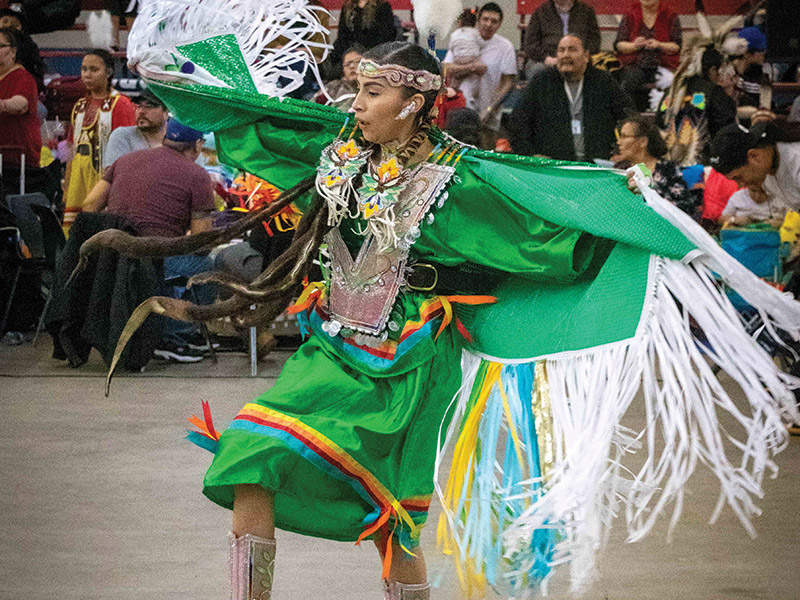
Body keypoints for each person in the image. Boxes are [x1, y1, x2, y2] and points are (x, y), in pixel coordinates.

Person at [96, 15, 800, 597]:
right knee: (249, 456)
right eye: (353, 89)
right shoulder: (339, 156)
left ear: (412, 102)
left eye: (371, 92)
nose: (356, 103)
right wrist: (197, 70)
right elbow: (259, 129)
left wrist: (628, 215)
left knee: (393, 519)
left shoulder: (454, 184)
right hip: (331, 343)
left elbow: (542, 238)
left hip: (410, 356)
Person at [82, 118, 216, 362]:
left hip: (111, 255)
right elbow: (201, 242)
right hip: (153, 259)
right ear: (197, 145)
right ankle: (174, 336)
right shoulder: (197, 175)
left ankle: (166, 332)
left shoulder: (125, 160)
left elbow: (90, 205)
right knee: (208, 267)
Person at [509, 34, 635, 162]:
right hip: (553, 167)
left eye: (572, 49)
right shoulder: (541, 81)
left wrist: (623, 152)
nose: (565, 55)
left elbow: (630, 116)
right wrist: (530, 155)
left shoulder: (603, 81)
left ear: (586, 56)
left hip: (596, 165)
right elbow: (518, 121)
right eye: (561, 50)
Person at [62, 49, 135, 234]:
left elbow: (128, 152)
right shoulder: (79, 106)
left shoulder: (120, 105)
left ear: (109, 72)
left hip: (105, 180)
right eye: (84, 69)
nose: (87, 74)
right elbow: (72, 149)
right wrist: (67, 184)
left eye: (94, 69)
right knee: (74, 234)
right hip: (78, 181)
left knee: (100, 233)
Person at [443, 2, 517, 149]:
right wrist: (471, 67)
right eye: (485, 19)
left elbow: (508, 82)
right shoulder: (464, 38)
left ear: (500, 24)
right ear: (478, 20)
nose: (488, 24)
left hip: (489, 113)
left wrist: (489, 110)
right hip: (461, 115)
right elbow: (446, 69)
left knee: (487, 155)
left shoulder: (505, 46)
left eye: (494, 21)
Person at [659, 47, 737, 166]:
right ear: (712, 70)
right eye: (720, 72)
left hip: (666, 165)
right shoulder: (714, 92)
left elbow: (658, 124)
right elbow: (726, 134)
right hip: (702, 166)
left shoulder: (670, 92)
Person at [710, 121, 800, 215]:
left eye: (738, 177)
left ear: (753, 156)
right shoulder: (766, 176)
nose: (740, 185)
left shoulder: (796, 162)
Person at [616, 115, 694, 214]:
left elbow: (684, 208)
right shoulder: (620, 170)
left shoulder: (667, 171)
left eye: (624, 136)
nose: (619, 142)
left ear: (643, 141)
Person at [615, 0, 681, 111]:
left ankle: (667, 119)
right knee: (627, 82)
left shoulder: (670, 14)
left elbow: (677, 46)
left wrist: (659, 45)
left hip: (663, 65)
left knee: (671, 82)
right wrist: (634, 45)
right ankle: (628, 118)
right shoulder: (630, 14)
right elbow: (619, 45)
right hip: (634, 65)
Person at [0, 27, 41, 190]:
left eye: (0, 46)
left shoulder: (23, 78)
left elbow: (21, 104)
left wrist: (2, 105)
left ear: (13, 51)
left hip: (17, 161)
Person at [523, 0, 600, 75]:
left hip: (579, 59)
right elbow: (530, 44)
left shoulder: (587, 11)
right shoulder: (540, 12)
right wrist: (546, 58)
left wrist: (580, 56)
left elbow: (595, 41)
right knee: (538, 70)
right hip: (547, 60)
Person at [102, 87, 168, 169]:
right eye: (138, 106)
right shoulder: (123, 135)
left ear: (166, 112)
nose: (141, 111)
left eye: (149, 106)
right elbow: (112, 175)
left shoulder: (176, 140)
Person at [328, 0, 397, 79]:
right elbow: (342, 36)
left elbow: (386, 37)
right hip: (349, 51)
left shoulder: (383, 6)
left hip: (373, 53)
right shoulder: (347, 7)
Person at [444, 9, 484, 111]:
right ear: (475, 23)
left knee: (457, 87)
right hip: (472, 60)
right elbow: (447, 68)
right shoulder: (476, 33)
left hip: (459, 61)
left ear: (459, 23)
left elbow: (452, 47)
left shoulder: (455, 34)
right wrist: (471, 66)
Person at [729, 26, 769, 125]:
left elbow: (765, 107)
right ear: (747, 54)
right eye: (761, 50)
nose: (764, 54)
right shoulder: (727, 75)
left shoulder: (761, 74)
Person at [317, 45, 364, 111]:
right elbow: (311, 108)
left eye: (357, 62)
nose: (352, 66)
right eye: (347, 64)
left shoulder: (374, 88)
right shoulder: (333, 87)